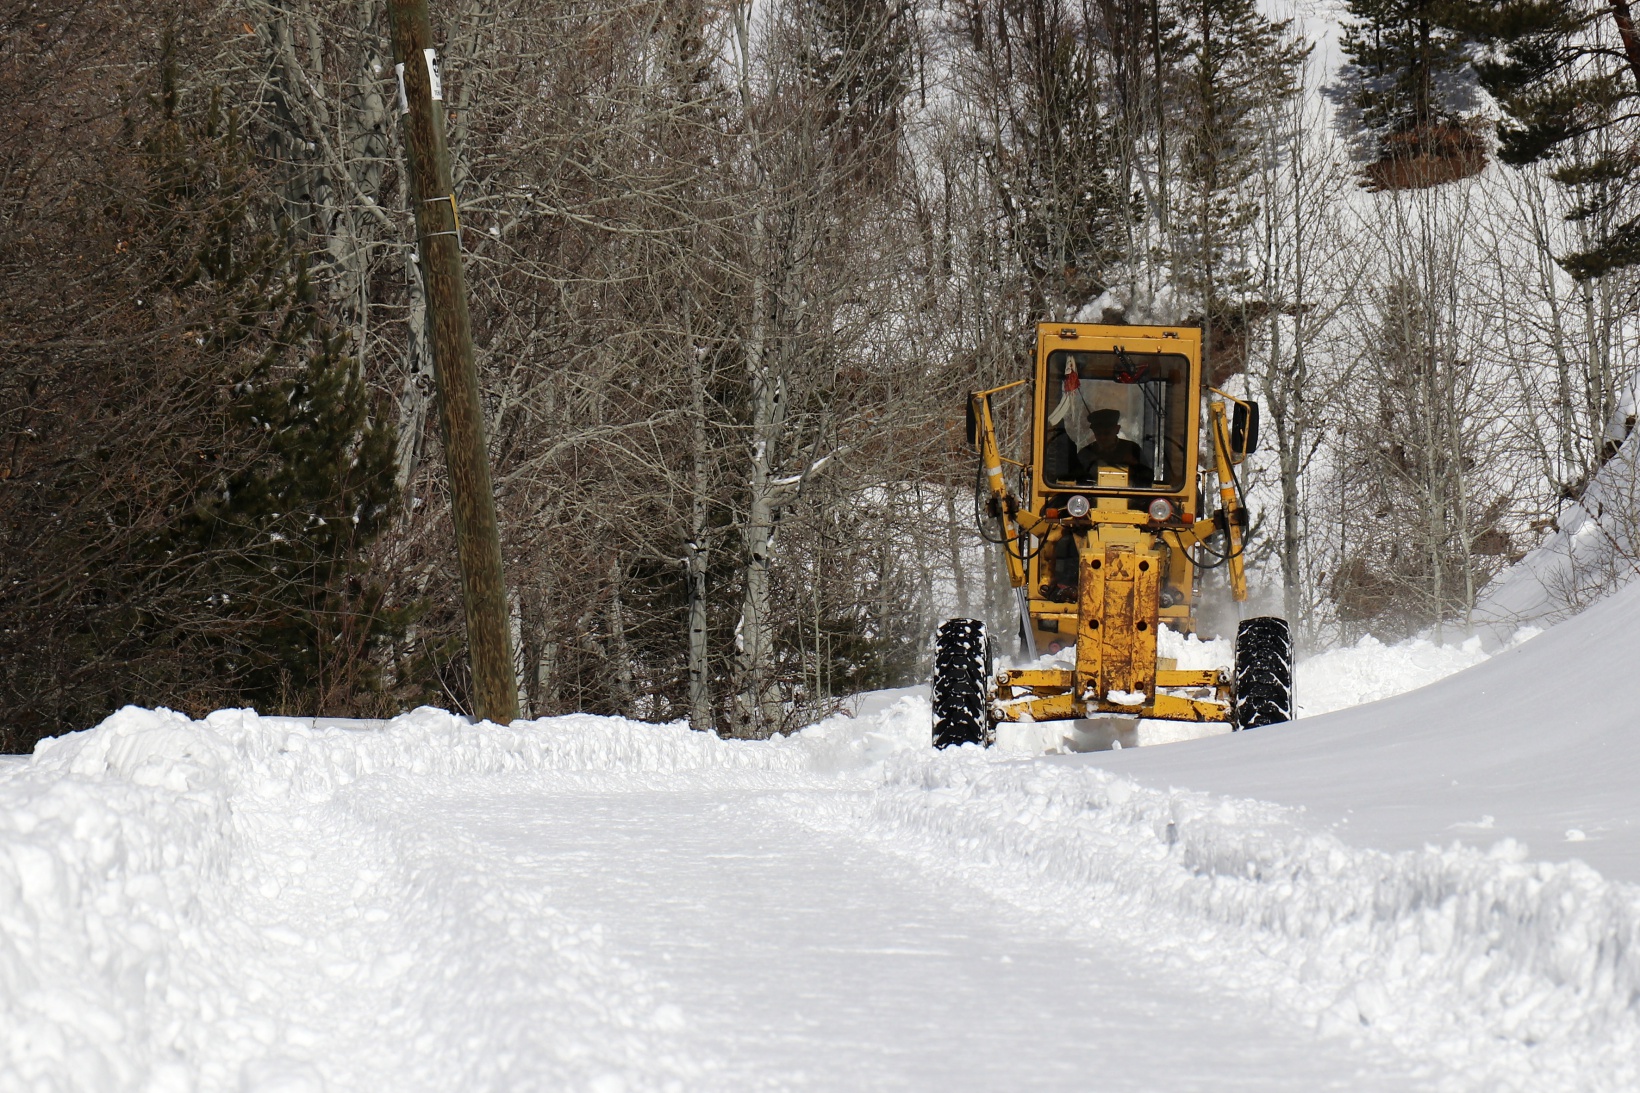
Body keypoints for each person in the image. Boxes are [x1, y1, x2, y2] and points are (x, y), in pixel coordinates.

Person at [1078, 408, 1153, 485]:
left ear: (1117, 429)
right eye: (1098, 434)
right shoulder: (1086, 453)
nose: (1102, 437)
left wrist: (1136, 465)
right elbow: (1075, 480)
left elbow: (1149, 477)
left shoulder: (1132, 449)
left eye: (1107, 433)